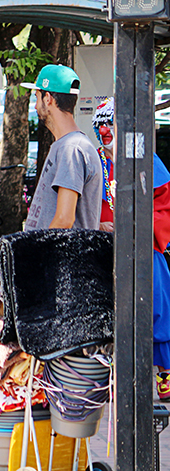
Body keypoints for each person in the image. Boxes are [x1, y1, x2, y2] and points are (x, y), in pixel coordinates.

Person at [89, 99, 170, 401]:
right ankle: (108, 371)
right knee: (106, 309)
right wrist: (96, 224)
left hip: (144, 247)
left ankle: (165, 371)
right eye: (100, 124)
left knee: (159, 303)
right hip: (102, 249)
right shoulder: (93, 160)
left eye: (111, 123)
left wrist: (134, 226)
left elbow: (164, 204)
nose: (106, 130)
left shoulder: (144, 159)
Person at [20, 65, 102, 230]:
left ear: (48, 98)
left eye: (37, 97)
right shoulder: (68, 145)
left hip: (55, 255)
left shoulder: (71, 148)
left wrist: (39, 252)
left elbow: (64, 220)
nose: (35, 106)